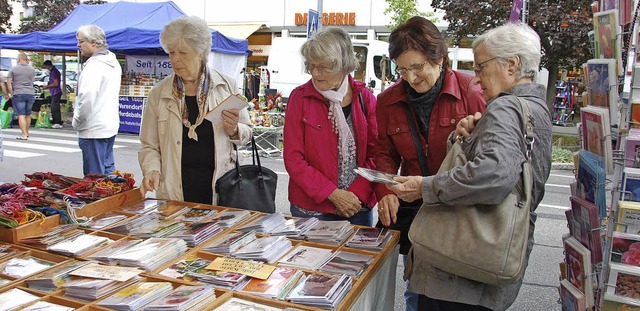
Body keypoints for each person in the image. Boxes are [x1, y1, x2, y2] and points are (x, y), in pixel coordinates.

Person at [386, 22, 553, 311]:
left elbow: (493, 175)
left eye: (480, 67)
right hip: (497, 256)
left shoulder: (505, 107)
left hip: (461, 268)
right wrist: (467, 139)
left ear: (511, 65)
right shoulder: (536, 109)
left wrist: (426, 186)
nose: (476, 79)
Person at [373, 16, 486, 310]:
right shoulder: (387, 101)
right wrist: (385, 190)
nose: (410, 78)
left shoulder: (471, 91)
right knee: (419, 289)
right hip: (418, 213)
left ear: (439, 57)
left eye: (418, 67)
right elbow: (383, 152)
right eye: (402, 70)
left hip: (460, 210)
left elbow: (489, 158)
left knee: (457, 293)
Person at [138, 16, 252, 205]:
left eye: (183, 52)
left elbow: (247, 133)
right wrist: (152, 169)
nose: (175, 59)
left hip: (219, 188)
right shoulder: (159, 93)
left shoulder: (226, 86)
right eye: (171, 52)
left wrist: (234, 130)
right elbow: (149, 145)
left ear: (201, 53)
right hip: (175, 189)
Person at [283, 27, 378, 226]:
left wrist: (355, 195)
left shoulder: (364, 97)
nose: (315, 73)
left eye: (323, 67)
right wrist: (332, 194)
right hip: (312, 210)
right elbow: (293, 158)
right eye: (311, 66)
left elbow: (376, 154)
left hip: (357, 206)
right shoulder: (300, 98)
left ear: (344, 65)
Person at [73, 24, 122, 176]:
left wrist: (78, 121)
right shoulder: (113, 63)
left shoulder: (94, 66)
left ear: (93, 42)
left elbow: (86, 99)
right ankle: (112, 200)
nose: (78, 45)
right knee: (108, 175)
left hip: (93, 128)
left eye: (81, 41)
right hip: (108, 125)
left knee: (94, 180)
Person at [7, 52, 35, 140]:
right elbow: (32, 80)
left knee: (21, 115)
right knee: (28, 114)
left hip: (18, 93)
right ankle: (27, 133)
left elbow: (8, 83)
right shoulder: (32, 69)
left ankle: (23, 134)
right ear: (26, 59)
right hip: (30, 93)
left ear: (19, 59)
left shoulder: (13, 69)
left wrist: (12, 92)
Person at [41, 60, 63, 128]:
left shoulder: (54, 72)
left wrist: (47, 86)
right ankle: (56, 121)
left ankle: (57, 122)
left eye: (46, 67)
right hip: (54, 92)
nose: (46, 68)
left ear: (48, 65)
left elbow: (55, 83)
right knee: (54, 106)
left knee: (54, 107)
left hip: (56, 91)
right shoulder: (53, 71)